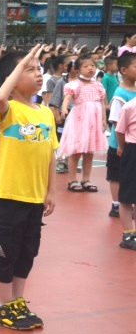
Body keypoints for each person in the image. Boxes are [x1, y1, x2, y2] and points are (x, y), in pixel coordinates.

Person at [0, 46, 56, 330]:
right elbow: (1, 95)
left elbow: (50, 153)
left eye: (39, 68)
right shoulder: (9, 110)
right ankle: (3, 307)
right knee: (5, 251)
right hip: (10, 195)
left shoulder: (47, 114)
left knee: (27, 252)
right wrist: (21, 62)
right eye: (30, 69)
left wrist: (51, 191)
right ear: (12, 80)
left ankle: (17, 302)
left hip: (35, 197)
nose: (38, 73)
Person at [58, 55, 106, 192]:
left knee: (89, 152)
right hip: (80, 120)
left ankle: (86, 179)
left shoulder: (98, 85)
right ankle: (72, 180)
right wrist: (64, 108)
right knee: (76, 151)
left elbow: (101, 103)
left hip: (94, 122)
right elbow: (67, 98)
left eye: (92, 66)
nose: (90, 68)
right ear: (78, 70)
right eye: (85, 66)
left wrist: (103, 119)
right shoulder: (75, 85)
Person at [107, 52, 136, 218]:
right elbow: (117, 122)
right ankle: (116, 204)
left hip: (131, 142)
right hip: (120, 144)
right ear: (124, 70)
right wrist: (120, 145)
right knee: (117, 175)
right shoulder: (120, 94)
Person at [114, 94, 136, 249]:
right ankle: (128, 233)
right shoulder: (129, 106)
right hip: (133, 150)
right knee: (127, 195)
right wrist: (122, 147)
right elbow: (120, 130)